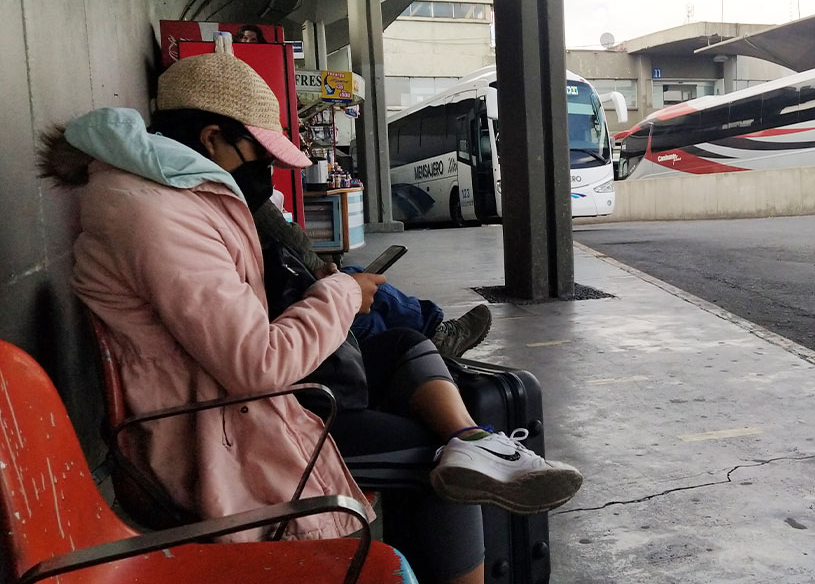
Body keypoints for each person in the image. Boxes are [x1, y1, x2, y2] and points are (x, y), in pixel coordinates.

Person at [38, 51, 581, 584]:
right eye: (261, 155)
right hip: (216, 435)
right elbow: (257, 364)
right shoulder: (157, 215)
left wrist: (314, 292)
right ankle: (465, 453)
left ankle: (474, 440)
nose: (267, 171)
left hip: (239, 405)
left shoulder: (172, 197)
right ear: (211, 139)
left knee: (396, 345)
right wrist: (341, 293)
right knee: (434, 461)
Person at [252, 200, 491, 357]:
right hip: (277, 315)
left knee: (362, 288)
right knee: (367, 316)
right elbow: (284, 232)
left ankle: (431, 340)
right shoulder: (241, 195)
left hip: (280, 295)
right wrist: (345, 291)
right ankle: (428, 344)